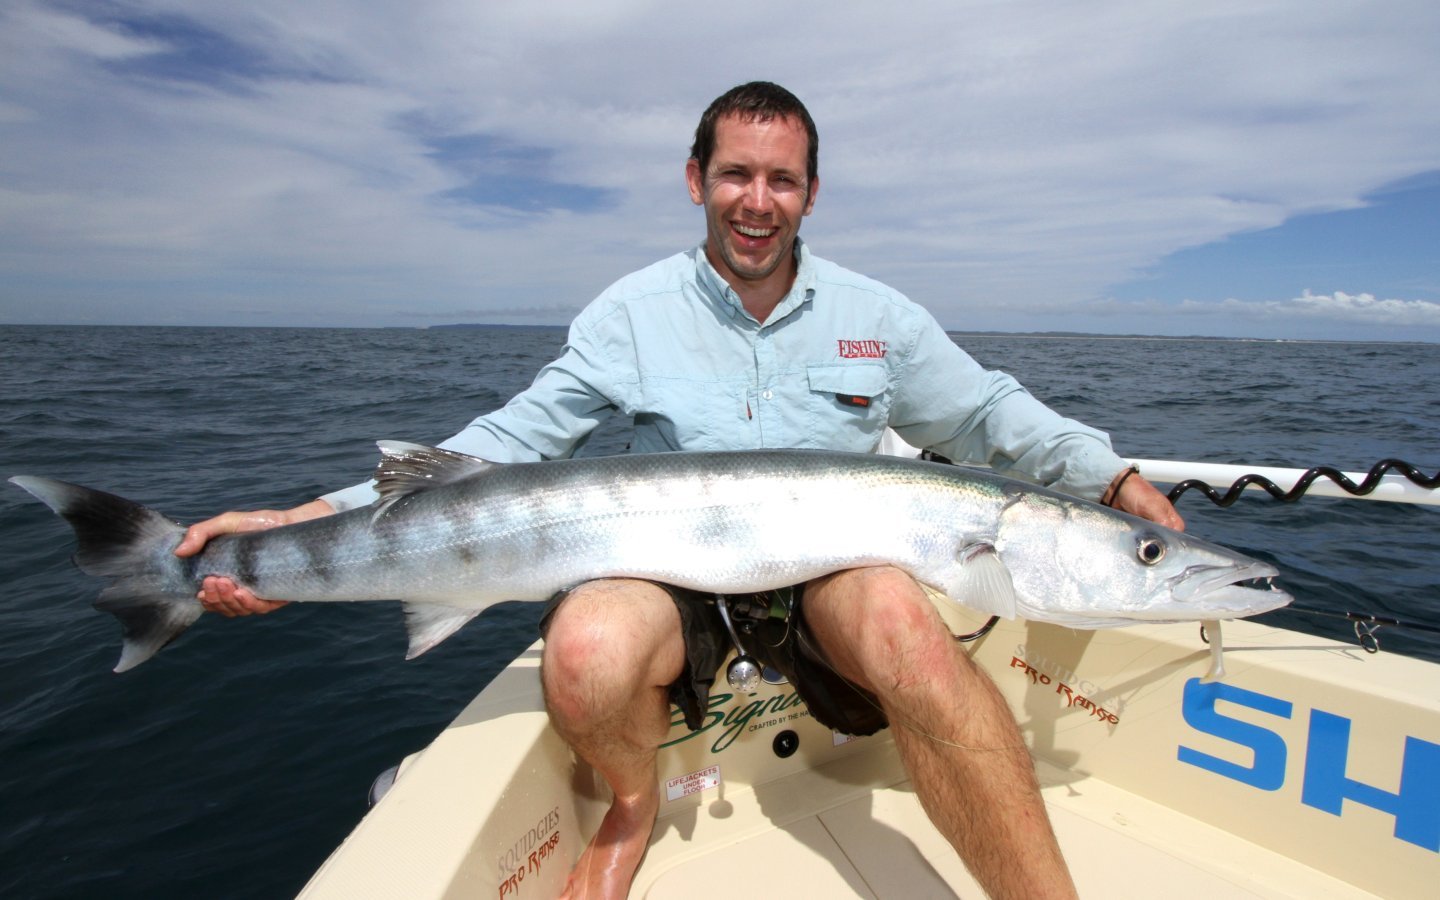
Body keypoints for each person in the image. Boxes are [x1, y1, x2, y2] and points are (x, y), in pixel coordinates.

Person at [178, 82, 1182, 899]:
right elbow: (509, 440)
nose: (757, 200)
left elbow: (988, 414)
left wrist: (1112, 475)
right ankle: (630, 807)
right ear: (697, 180)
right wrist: (312, 516)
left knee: (912, 635)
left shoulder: (879, 317)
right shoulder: (631, 312)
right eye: (736, 174)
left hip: (832, 569)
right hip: (669, 573)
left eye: (782, 180)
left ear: (812, 195)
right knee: (583, 651)